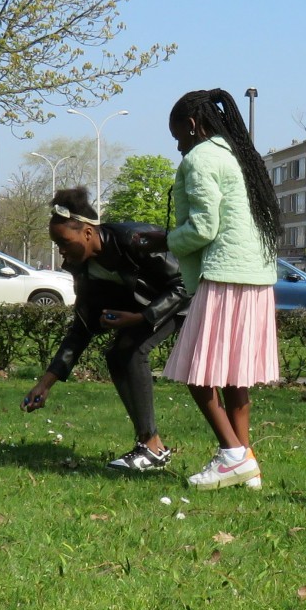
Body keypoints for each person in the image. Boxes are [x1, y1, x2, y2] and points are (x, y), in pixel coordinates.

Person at [156, 88, 283, 490]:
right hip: (258, 276)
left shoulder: (201, 158)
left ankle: (231, 454)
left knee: (198, 373)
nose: (178, 146)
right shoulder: (240, 153)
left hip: (224, 273)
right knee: (235, 375)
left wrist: (164, 240)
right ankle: (247, 465)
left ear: (192, 126)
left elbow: (203, 228)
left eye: (178, 136)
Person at [21, 186, 189, 473]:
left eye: (64, 242)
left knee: (132, 351)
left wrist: (141, 318)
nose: (61, 251)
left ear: (87, 232)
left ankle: (151, 446)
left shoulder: (134, 240)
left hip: (183, 302)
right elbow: (82, 328)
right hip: (146, 312)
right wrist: (45, 383)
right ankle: (151, 445)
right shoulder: (81, 267)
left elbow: (184, 282)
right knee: (116, 356)